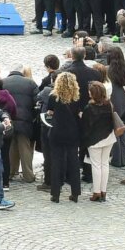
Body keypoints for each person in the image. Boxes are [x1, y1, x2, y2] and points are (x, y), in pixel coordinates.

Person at [42, 70, 85, 204]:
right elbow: (80, 114)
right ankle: (75, 192)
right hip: (73, 132)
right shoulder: (77, 98)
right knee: (73, 161)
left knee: (56, 162)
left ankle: (55, 194)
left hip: (57, 132)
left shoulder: (53, 97)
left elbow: (49, 112)